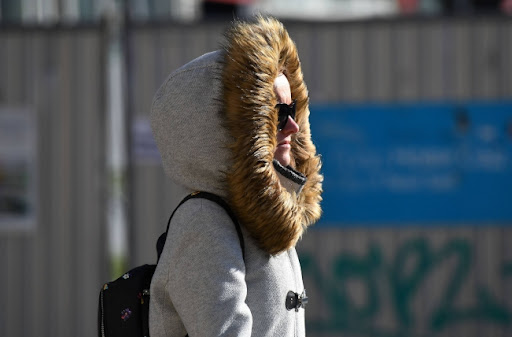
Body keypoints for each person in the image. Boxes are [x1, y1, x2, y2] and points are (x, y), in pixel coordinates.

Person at [149, 16, 323, 337]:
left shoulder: (262, 218)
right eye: (276, 113)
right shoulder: (205, 223)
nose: (292, 126)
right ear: (227, 129)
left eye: (293, 109)